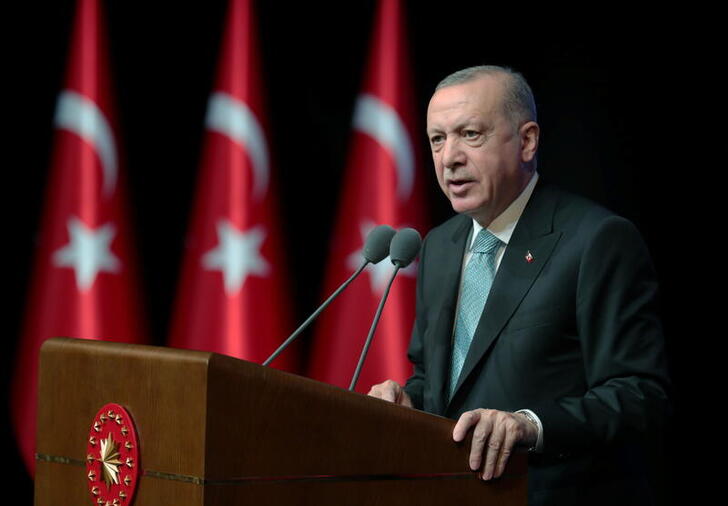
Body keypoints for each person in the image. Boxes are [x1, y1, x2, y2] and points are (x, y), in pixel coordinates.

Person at [368, 65, 670, 505]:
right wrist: (407, 403)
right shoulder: (440, 246)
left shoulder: (596, 241)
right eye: (437, 139)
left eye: (469, 134)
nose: (448, 157)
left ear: (527, 140)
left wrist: (531, 425)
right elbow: (434, 381)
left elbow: (640, 394)